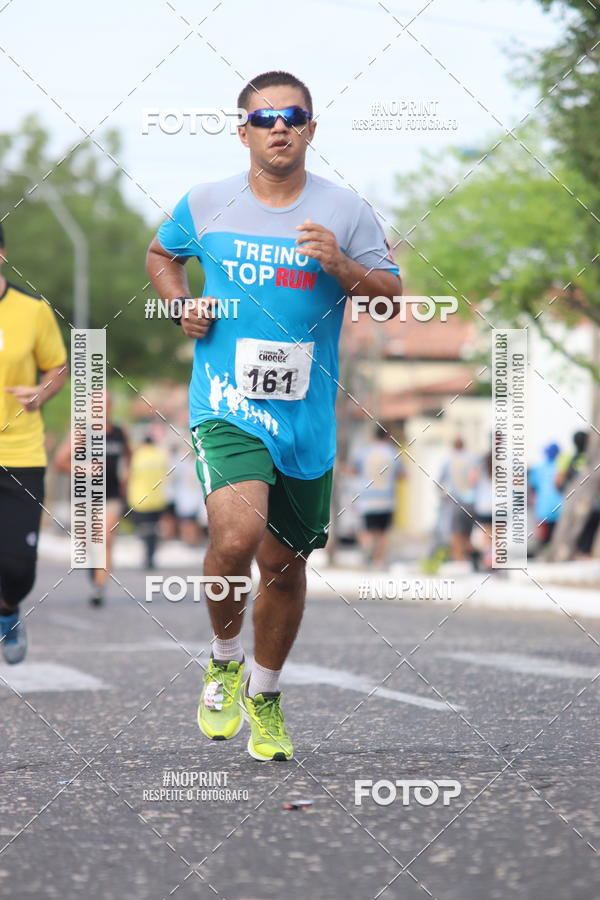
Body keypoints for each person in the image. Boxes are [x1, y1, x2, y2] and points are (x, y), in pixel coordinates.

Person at [146, 70, 401, 761]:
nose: (279, 126)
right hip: (227, 403)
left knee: (285, 567)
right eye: (264, 118)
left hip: (307, 417)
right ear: (244, 132)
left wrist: (342, 265)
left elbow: (389, 301)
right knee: (236, 535)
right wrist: (180, 303)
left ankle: (266, 692)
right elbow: (162, 254)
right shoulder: (205, 203)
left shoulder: (346, 210)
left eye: (293, 116)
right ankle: (224, 657)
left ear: (312, 129)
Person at [0, 224, 68, 662]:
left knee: (17, 568)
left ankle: (8, 611)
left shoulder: (32, 310)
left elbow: (58, 368)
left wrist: (42, 393)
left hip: (20, 453)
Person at [54, 393, 131, 605]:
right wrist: (84, 469)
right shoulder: (81, 433)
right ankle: (93, 564)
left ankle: (99, 588)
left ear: (110, 407)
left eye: (106, 404)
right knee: (87, 541)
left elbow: (129, 456)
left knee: (106, 538)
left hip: (111, 495)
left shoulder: (119, 433)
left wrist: (127, 477)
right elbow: (59, 462)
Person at [353, 424, 404, 567]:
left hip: (367, 498)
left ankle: (367, 547)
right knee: (383, 532)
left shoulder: (364, 451)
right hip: (386, 498)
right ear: (387, 436)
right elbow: (402, 475)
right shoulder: (392, 452)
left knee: (368, 529)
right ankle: (378, 560)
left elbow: (354, 470)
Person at [127, 434, 169, 569]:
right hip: (157, 499)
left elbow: (128, 475)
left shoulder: (137, 456)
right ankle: (151, 557)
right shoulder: (160, 455)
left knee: (144, 529)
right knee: (153, 529)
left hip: (140, 499)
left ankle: (146, 556)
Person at [439, 438, 476, 561]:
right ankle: (465, 556)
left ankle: (458, 557)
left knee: (456, 531)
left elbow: (441, 482)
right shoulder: (471, 458)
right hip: (470, 499)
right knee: (467, 531)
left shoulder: (448, 460)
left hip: (455, 500)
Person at [529, 443, 562, 547]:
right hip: (558, 506)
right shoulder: (560, 467)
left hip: (543, 507)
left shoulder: (538, 468)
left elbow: (533, 486)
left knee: (544, 536)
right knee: (555, 535)